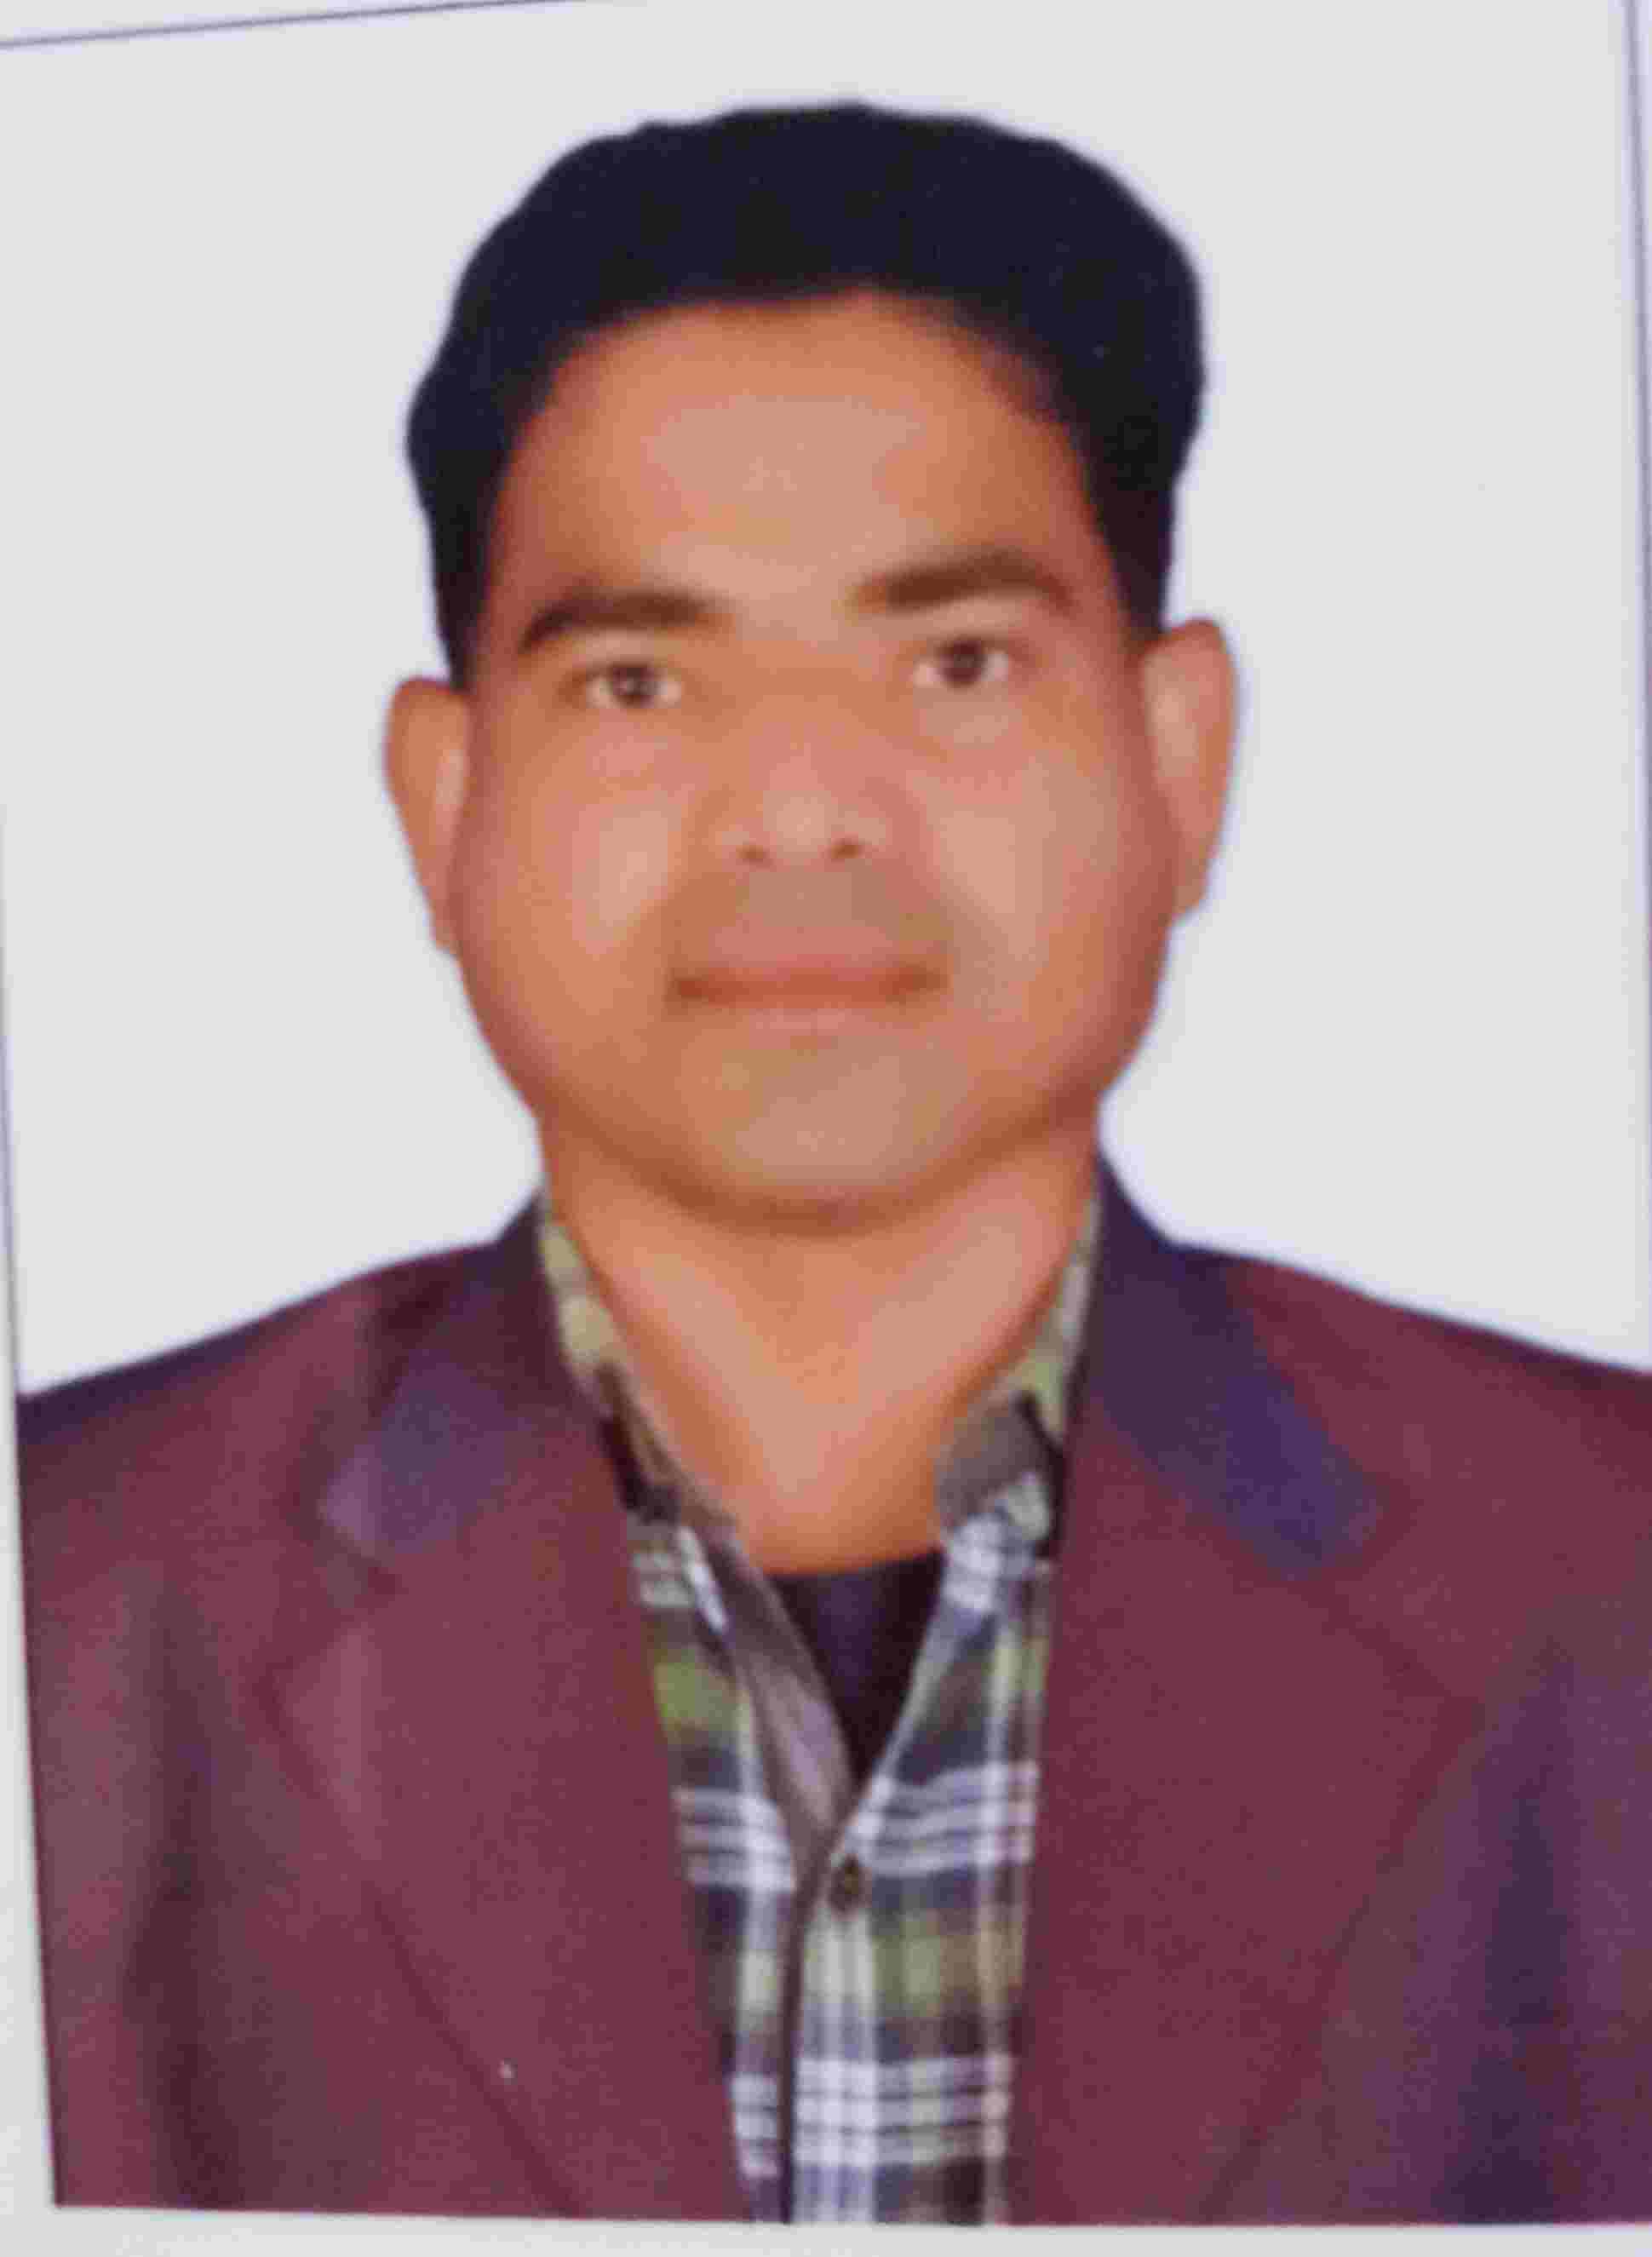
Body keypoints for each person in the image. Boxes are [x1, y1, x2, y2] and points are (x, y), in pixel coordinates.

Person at [16, 101, 1652, 2225]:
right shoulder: (59, 1597)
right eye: (640, 680)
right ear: (443, 803)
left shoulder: (1606, 1572)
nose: (799, 810)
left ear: (1179, 758)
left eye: (952, 662)